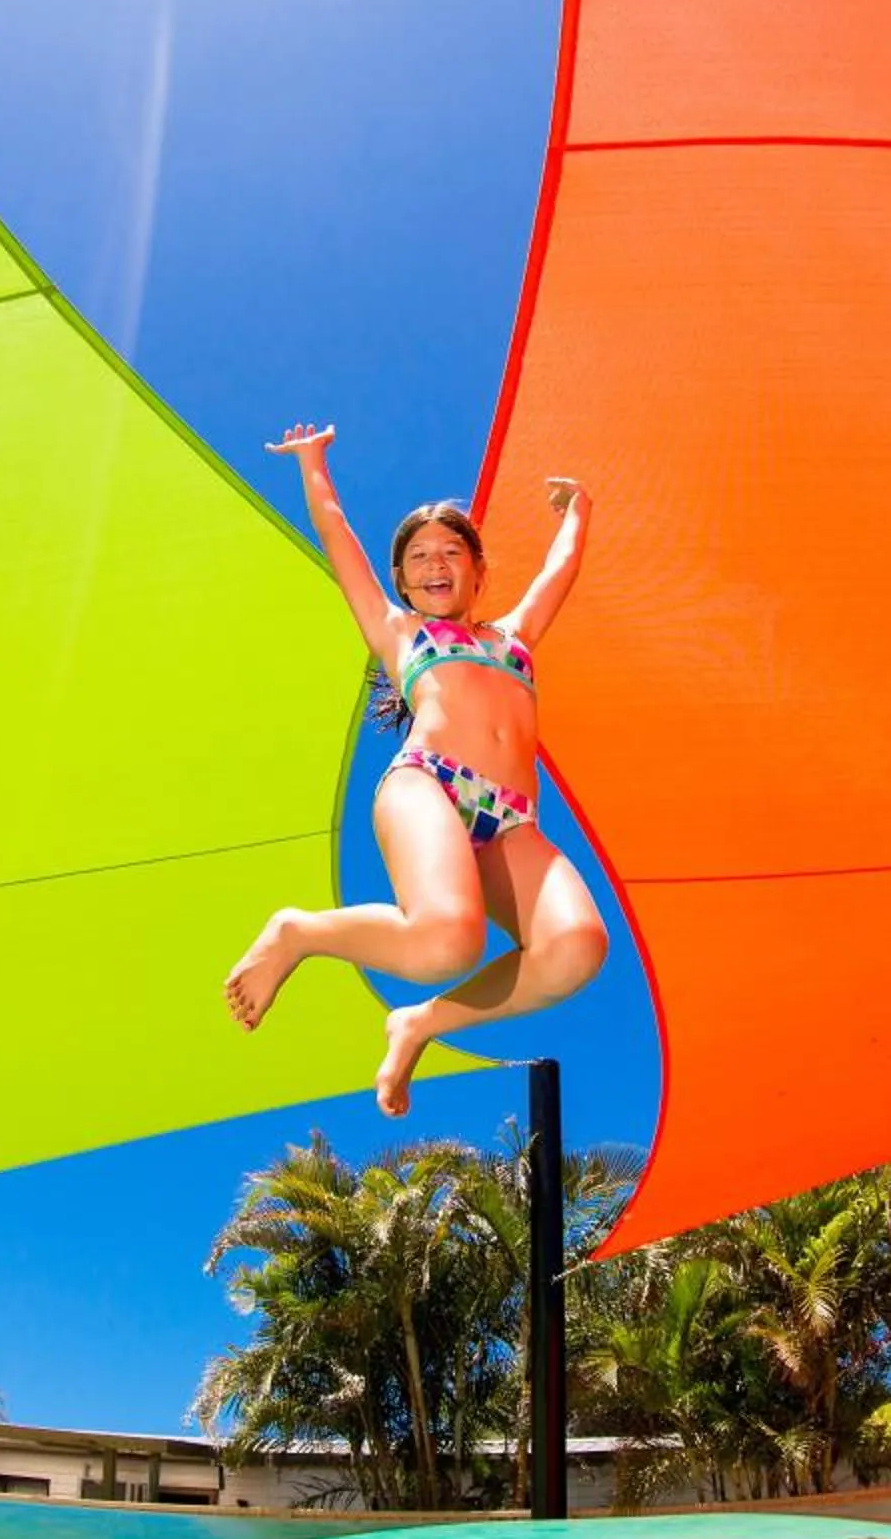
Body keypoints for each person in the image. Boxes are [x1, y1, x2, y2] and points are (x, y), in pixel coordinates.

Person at [225, 422, 608, 1113]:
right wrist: (312, 463)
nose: (436, 562)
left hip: (511, 820)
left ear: (479, 571)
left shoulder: (515, 636)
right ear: (401, 580)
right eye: (419, 556)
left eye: (452, 552)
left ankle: (421, 1022)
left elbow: (561, 572)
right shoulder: (401, 632)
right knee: (444, 943)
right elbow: (338, 534)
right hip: (427, 782)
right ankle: (298, 931)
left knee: (576, 947)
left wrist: (578, 511)